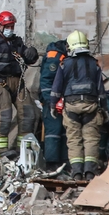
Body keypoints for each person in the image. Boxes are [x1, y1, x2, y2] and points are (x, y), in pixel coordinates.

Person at [0, 11, 39, 157]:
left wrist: (32, 53)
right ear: (0, 26)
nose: (10, 29)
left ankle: (24, 151)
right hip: (1, 82)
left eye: (12, 26)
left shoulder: (17, 43)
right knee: (4, 115)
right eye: (7, 26)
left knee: (28, 113)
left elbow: (28, 58)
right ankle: (1, 153)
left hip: (18, 82)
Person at [50, 30, 105, 181]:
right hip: (91, 106)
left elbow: (56, 87)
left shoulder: (64, 64)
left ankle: (77, 173)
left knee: (74, 140)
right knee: (91, 139)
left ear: (70, 46)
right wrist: (105, 108)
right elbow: (101, 90)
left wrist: (53, 105)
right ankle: (90, 172)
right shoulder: (94, 64)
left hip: (71, 107)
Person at [39, 39, 69, 170]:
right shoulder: (55, 57)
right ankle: (51, 164)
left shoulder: (62, 56)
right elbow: (46, 80)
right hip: (52, 102)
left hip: (60, 101)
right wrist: (50, 101)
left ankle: (63, 162)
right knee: (54, 131)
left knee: (63, 131)